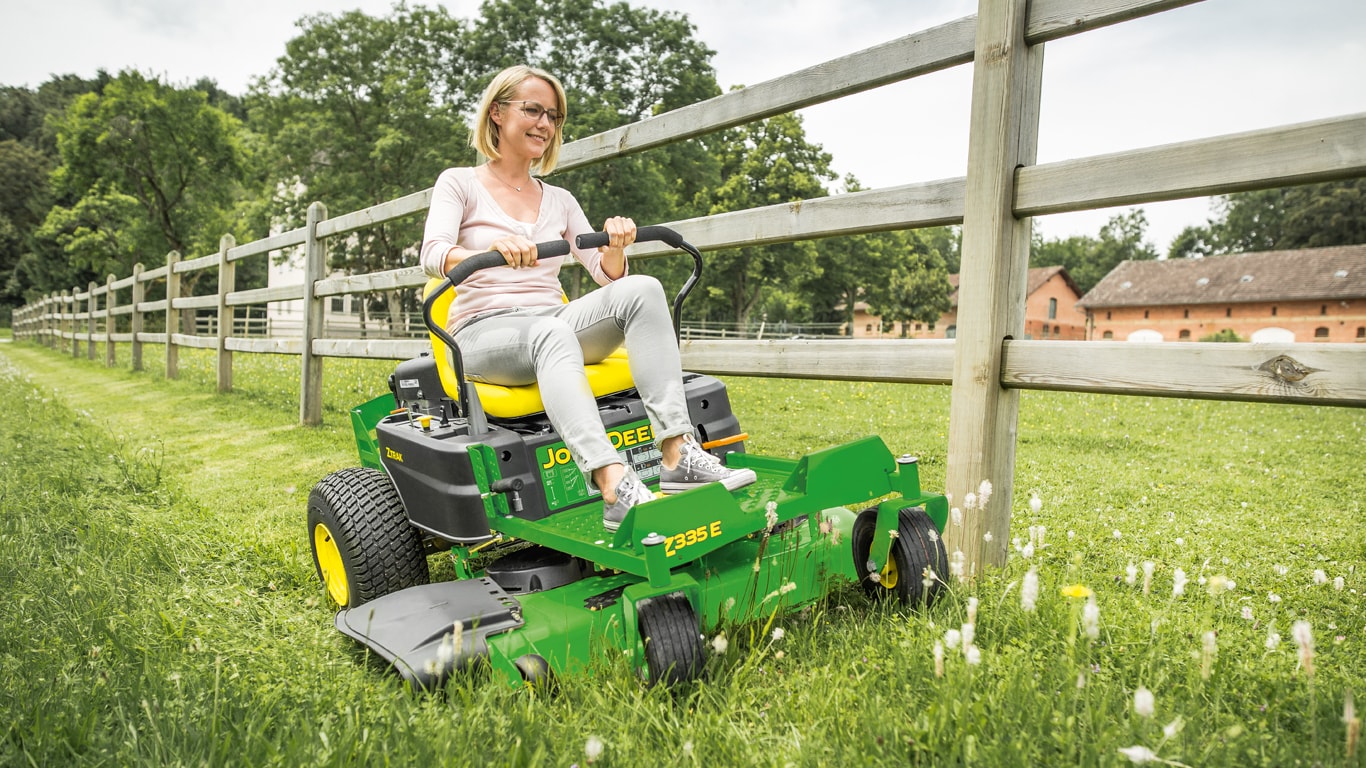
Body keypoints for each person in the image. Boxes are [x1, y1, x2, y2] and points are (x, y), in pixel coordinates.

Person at [420, 65, 755, 531]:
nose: (544, 124)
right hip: (484, 331)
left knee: (642, 289)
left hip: (549, 323)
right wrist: (487, 251)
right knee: (551, 332)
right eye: (532, 110)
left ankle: (678, 455)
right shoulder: (459, 183)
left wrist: (615, 245)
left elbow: (605, 274)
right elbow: (432, 253)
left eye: (553, 116)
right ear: (497, 113)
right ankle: (613, 483)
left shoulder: (558, 198)